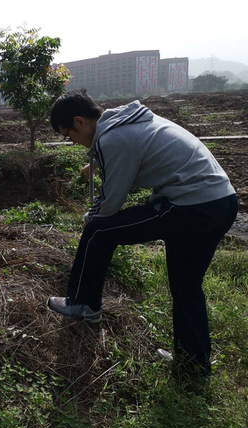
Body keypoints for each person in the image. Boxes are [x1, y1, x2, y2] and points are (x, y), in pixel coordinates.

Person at [47, 89, 237, 378]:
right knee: (186, 284)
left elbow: (111, 202)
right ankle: (193, 364)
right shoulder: (128, 121)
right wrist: (97, 163)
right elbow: (136, 149)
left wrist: (89, 218)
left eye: (68, 135)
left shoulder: (114, 138)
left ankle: (83, 303)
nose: (72, 142)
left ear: (80, 122)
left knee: (98, 231)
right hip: (220, 201)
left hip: (190, 206)